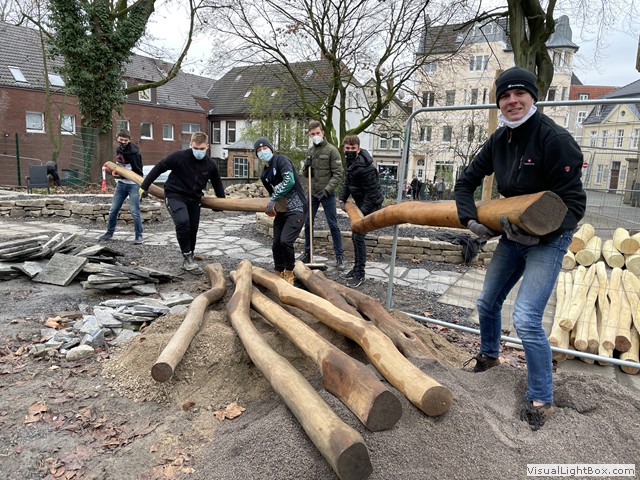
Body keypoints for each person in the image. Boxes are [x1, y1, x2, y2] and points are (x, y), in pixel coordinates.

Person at [454, 67, 586, 431]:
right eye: (505, 96)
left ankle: (542, 399)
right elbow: (465, 183)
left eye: (519, 94)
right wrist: (471, 220)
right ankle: (489, 358)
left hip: (550, 239)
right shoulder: (499, 140)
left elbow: (574, 205)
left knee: (526, 318)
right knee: (486, 302)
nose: (512, 101)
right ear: (499, 102)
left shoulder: (555, 140)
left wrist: (541, 233)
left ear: (532, 97)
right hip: (514, 234)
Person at [139, 132, 225, 275]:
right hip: (175, 195)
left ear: (207, 147)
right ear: (190, 145)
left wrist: (220, 202)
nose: (199, 151)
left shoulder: (210, 164)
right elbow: (160, 167)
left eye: (202, 149)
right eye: (196, 148)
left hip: (194, 199)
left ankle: (190, 256)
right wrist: (144, 186)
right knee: (183, 222)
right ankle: (187, 257)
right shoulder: (179, 157)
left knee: (193, 229)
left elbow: (217, 182)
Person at [256, 137, 308, 285]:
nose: (263, 151)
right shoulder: (264, 175)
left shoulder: (281, 160)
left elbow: (289, 181)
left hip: (297, 208)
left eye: (265, 148)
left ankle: (289, 272)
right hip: (282, 211)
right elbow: (273, 195)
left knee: (285, 241)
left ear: (271, 149)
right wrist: (272, 207)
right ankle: (279, 271)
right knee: (276, 244)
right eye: (259, 150)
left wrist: (274, 199)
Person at [338, 135, 383, 288]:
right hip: (361, 203)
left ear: (358, 149)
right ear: (344, 148)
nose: (350, 150)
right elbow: (348, 183)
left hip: (371, 206)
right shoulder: (350, 163)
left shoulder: (366, 168)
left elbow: (372, 195)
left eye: (353, 148)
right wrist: (342, 198)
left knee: (358, 237)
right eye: (347, 148)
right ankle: (356, 268)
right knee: (355, 236)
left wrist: (360, 214)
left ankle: (360, 274)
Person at [300, 120, 344, 269]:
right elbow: (306, 175)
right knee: (308, 223)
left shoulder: (332, 151)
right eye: (312, 134)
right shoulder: (310, 152)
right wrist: (306, 167)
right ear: (309, 135)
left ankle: (339, 256)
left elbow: (338, 174)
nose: (315, 136)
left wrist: (327, 190)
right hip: (313, 193)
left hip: (327, 193)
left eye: (317, 133)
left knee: (333, 224)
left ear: (323, 133)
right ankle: (308, 253)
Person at [99, 130, 144, 244]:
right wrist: (113, 172)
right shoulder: (119, 149)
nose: (123, 142)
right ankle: (109, 233)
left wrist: (121, 175)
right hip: (121, 184)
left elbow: (138, 172)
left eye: (125, 140)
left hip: (133, 185)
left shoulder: (134, 153)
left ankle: (139, 236)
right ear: (117, 138)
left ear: (129, 140)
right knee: (113, 210)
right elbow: (119, 166)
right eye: (121, 139)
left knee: (134, 211)